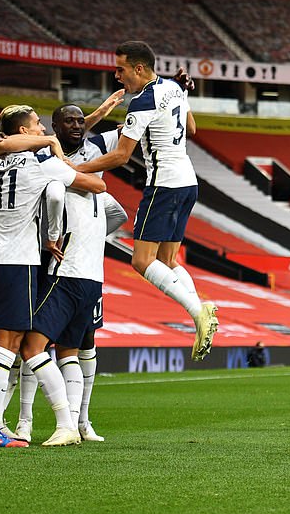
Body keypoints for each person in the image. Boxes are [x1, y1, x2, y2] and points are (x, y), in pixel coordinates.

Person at [0, 104, 106, 447]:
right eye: (37, 125)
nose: (43, 128)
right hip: (19, 262)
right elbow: (91, 185)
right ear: (25, 133)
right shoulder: (39, 163)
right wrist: (53, 234)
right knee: (11, 346)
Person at [75, 41, 218, 361]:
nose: (117, 76)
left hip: (164, 185)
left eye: (121, 69)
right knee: (168, 261)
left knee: (141, 261)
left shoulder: (143, 101)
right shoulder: (174, 87)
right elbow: (192, 128)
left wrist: (75, 169)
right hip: (188, 183)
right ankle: (203, 320)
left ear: (139, 69)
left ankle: (199, 312)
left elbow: (121, 156)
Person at [15, 101, 128, 444]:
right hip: (74, 271)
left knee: (57, 346)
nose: (78, 126)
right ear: (54, 128)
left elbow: (117, 211)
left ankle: (74, 422)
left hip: (76, 269)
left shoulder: (84, 154)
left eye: (82, 121)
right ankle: (31, 420)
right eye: (70, 121)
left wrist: (84, 234)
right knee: (56, 348)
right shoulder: (45, 155)